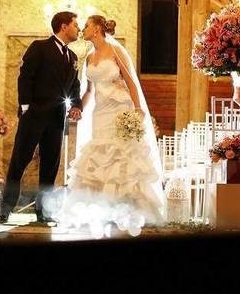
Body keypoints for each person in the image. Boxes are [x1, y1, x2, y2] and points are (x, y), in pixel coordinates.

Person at [59, 15, 165, 236]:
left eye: (86, 26)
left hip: (119, 108)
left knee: (121, 156)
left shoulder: (116, 50)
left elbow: (131, 82)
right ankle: (99, 211)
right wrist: (78, 109)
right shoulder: (89, 57)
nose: (83, 29)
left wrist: (138, 108)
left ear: (97, 29)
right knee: (99, 158)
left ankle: (128, 209)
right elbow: (89, 91)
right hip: (100, 112)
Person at [0, 11, 83, 223]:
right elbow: (26, 75)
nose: (79, 29)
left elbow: (74, 86)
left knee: (50, 167)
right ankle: (6, 207)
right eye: (75, 25)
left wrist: (77, 105)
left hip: (57, 118)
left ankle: (43, 211)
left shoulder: (73, 57)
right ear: (63, 26)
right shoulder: (39, 47)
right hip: (34, 114)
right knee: (19, 161)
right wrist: (25, 106)